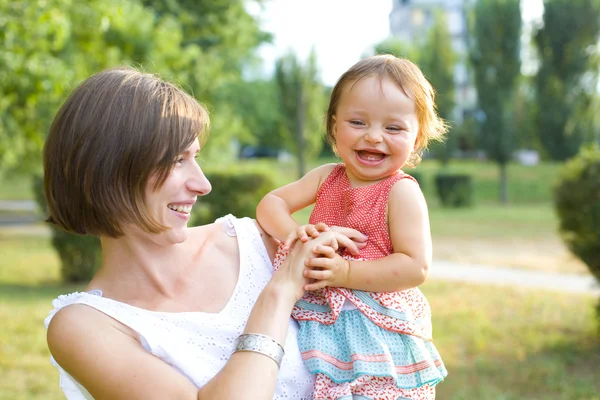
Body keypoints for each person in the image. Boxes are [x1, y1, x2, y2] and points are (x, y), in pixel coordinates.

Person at [42, 66, 364, 399]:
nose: (203, 184)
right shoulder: (85, 327)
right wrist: (279, 292)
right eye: (177, 160)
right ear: (108, 169)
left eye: (195, 157)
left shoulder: (259, 245)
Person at [256, 54, 449, 399]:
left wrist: (344, 271)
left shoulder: (400, 192)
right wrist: (296, 235)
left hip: (374, 328)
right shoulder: (326, 177)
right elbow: (271, 204)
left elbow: (414, 266)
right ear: (334, 126)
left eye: (393, 128)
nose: (374, 137)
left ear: (417, 139)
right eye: (358, 122)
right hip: (319, 314)